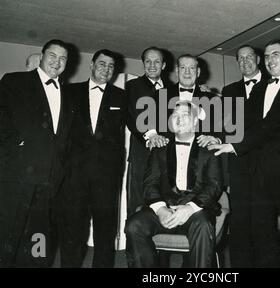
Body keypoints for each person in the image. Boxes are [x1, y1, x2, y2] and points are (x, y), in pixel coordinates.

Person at [209, 40, 280, 267]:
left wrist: (233, 146)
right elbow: (238, 124)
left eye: (275, 55)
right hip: (257, 169)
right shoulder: (258, 89)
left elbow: (272, 124)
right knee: (263, 229)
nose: (271, 60)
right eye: (240, 58)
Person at [0, 39, 72, 267]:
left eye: (62, 59)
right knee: (9, 233)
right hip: (18, 174)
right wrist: (18, 143)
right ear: (41, 56)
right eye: (52, 55)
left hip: (50, 180)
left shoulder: (69, 94)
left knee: (39, 237)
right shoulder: (14, 80)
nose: (57, 62)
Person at [125, 100, 223, 268]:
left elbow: (214, 186)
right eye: (175, 116)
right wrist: (161, 209)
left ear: (194, 121)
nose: (179, 119)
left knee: (203, 225)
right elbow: (150, 184)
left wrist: (190, 207)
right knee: (134, 225)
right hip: (164, 208)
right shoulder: (160, 148)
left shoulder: (209, 148)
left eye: (185, 115)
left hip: (195, 211)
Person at [58, 49, 128, 267]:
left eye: (110, 66)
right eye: (102, 64)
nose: (106, 69)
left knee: (106, 233)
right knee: (73, 232)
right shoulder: (68, 92)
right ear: (92, 65)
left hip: (106, 178)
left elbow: (139, 123)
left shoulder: (122, 96)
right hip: (74, 176)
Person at [217, 45, 263, 267]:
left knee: (265, 223)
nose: (245, 62)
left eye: (249, 57)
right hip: (239, 164)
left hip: (266, 164)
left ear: (258, 59)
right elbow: (225, 126)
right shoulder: (229, 90)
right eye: (241, 58)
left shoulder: (273, 84)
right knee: (240, 222)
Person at [125, 47, 169, 216]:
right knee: (138, 202)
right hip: (141, 155)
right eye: (148, 61)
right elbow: (131, 117)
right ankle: (134, 242)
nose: (152, 65)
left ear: (163, 65)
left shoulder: (172, 89)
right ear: (143, 64)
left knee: (164, 201)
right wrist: (151, 135)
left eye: (157, 61)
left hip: (166, 155)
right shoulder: (132, 86)